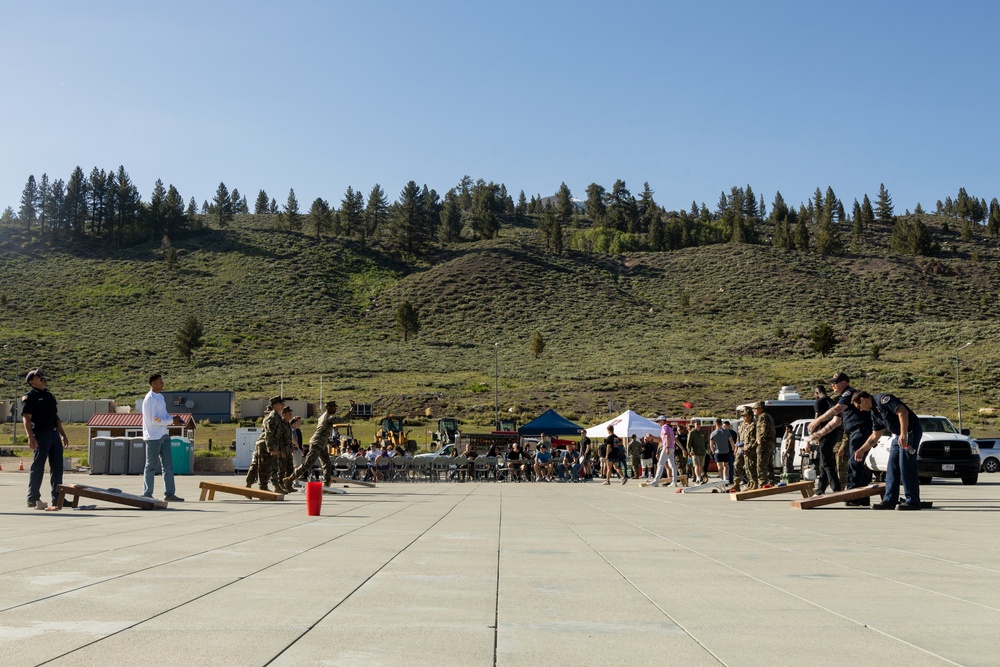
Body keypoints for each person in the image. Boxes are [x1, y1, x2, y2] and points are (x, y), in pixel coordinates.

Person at [811, 372, 875, 506]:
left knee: (854, 462)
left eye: (835, 382)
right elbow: (836, 421)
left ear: (844, 383)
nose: (832, 385)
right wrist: (819, 434)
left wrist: (817, 421)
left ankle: (852, 495)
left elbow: (836, 410)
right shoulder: (842, 398)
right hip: (856, 432)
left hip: (861, 430)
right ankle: (862, 497)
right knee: (858, 463)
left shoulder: (849, 393)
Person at [851, 391, 922, 510]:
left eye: (859, 406)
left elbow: (902, 412)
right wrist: (862, 450)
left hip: (910, 432)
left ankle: (913, 501)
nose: (861, 410)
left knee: (906, 465)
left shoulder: (883, 400)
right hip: (898, 435)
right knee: (892, 467)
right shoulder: (874, 413)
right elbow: (875, 435)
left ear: (862, 399)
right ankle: (889, 500)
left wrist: (904, 434)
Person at [21, 369, 70, 511]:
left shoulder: (48, 395)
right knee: (38, 466)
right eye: (37, 376)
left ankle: (58, 498)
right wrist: (30, 437)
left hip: (54, 434)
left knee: (57, 467)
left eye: (41, 375)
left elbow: (56, 418)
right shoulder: (30, 397)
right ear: (31, 382)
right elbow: (26, 418)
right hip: (41, 434)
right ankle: (33, 497)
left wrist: (63, 434)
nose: (41, 377)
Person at [140, 373, 186, 502]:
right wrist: (171, 420)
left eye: (162, 381)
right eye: (159, 382)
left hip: (164, 434)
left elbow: (164, 415)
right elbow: (153, 420)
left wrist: (173, 419)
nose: (162, 383)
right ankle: (147, 493)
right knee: (151, 466)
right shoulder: (149, 399)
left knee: (168, 466)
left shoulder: (160, 397)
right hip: (153, 436)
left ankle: (170, 494)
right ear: (153, 384)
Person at [284, 401, 337, 488]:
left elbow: (323, 432)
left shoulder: (323, 416)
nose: (335, 409)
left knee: (327, 464)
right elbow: (342, 419)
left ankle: (326, 484)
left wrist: (329, 442)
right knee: (307, 464)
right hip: (317, 443)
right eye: (334, 407)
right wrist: (351, 410)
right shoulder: (327, 418)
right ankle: (290, 479)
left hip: (321, 443)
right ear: (328, 408)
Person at [246, 396, 287, 492]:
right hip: (265, 445)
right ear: (275, 405)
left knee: (268, 467)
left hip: (270, 445)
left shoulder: (278, 417)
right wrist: (271, 449)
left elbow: (278, 435)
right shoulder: (272, 417)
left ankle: (261, 486)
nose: (283, 405)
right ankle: (261, 487)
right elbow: (269, 434)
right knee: (263, 466)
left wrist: (281, 449)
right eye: (281, 404)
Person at [807, 385, 842, 495]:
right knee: (823, 462)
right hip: (834, 433)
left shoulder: (819, 402)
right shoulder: (830, 401)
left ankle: (836, 489)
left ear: (817, 392)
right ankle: (820, 489)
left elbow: (816, 421)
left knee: (826, 463)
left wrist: (811, 438)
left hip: (826, 434)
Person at [641, 416, 678, 488]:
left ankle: (656, 482)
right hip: (671, 448)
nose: (657, 423)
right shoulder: (669, 428)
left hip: (667, 447)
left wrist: (666, 447)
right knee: (672, 465)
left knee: (660, 464)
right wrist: (652, 438)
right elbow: (661, 440)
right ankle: (674, 481)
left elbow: (667, 437)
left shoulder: (664, 427)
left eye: (658, 421)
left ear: (662, 421)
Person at [730, 408, 756, 492]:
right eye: (743, 416)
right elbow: (739, 437)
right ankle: (736, 483)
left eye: (745, 416)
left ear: (750, 416)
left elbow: (755, 439)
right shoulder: (741, 425)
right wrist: (736, 448)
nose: (744, 418)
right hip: (740, 449)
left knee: (749, 467)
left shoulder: (754, 425)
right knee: (737, 465)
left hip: (749, 449)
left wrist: (748, 448)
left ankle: (752, 483)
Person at [751, 401, 776, 488]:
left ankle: (762, 483)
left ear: (761, 409)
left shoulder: (763, 417)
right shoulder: (767, 416)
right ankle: (771, 481)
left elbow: (763, 429)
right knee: (768, 464)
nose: (754, 410)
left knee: (761, 464)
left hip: (764, 444)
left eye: (756, 408)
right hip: (769, 444)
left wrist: (760, 439)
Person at [709, 419, 734, 484]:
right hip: (726, 451)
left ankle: (721, 479)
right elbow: (731, 441)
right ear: (721, 423)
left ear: (716, 424)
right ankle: (725, 478)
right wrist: (733, 448)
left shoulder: (713, 433)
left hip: (718, 452)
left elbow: (711, 444)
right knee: (726, 466)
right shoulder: (727, 432)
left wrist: (712, 451)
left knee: (720, 467)